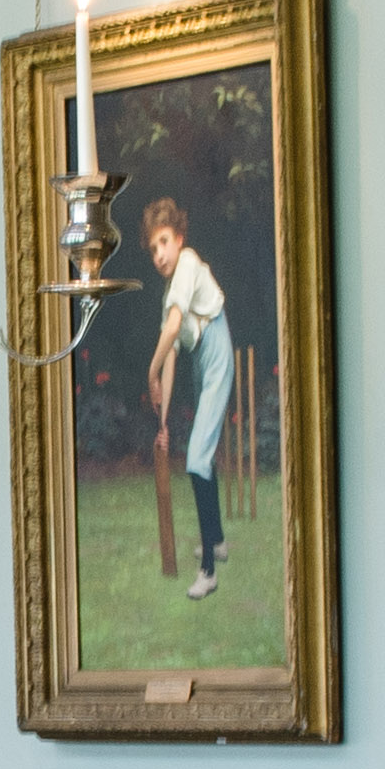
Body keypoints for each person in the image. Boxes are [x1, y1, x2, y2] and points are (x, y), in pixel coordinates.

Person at [142, 193, 240, 594]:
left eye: (164, 241)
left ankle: (208, 575)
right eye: (152, 248)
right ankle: (215, 542)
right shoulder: (171, 291)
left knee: (197, 457)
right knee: (201, 453)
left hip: (217, 349)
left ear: (179, 238)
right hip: (202, 356)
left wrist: (149, 372)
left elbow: (172, 330)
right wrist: (162, 422)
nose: (159, 253)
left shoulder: (189, 262)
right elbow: (173, 355)